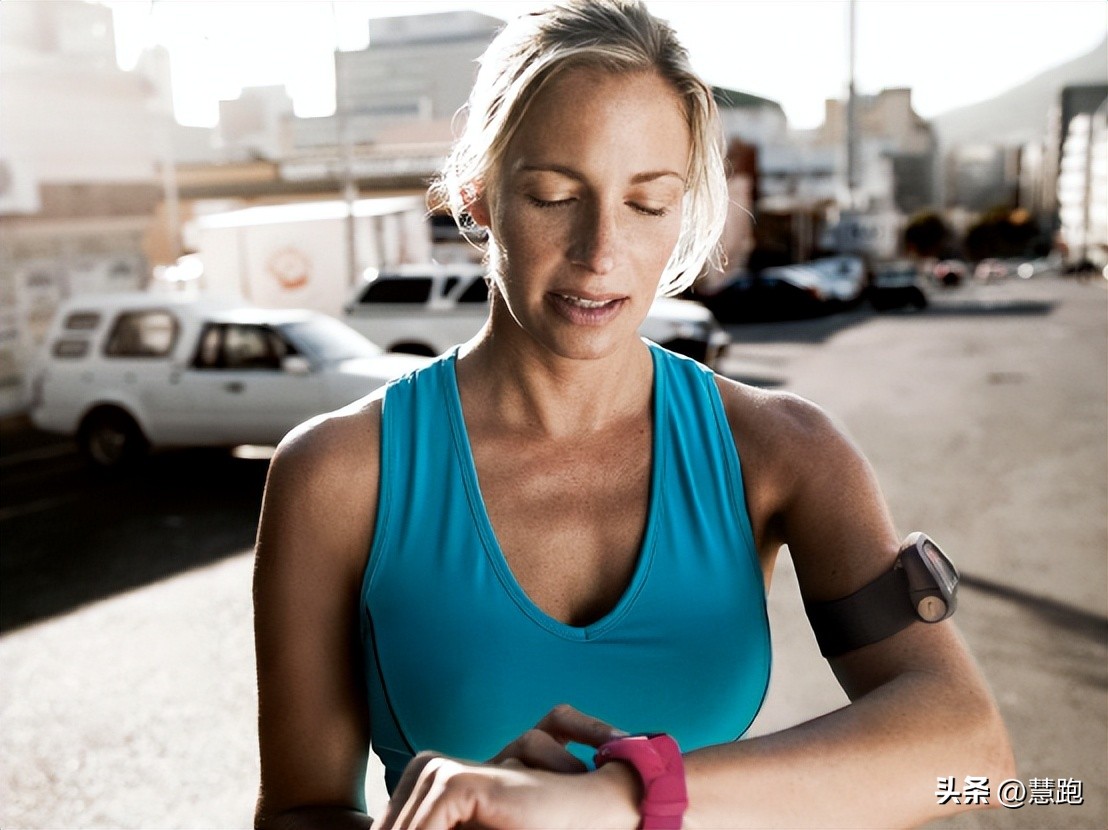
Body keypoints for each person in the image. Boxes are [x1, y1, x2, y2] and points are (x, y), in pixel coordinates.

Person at [252, 2, 1015, 827]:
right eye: (553, 195)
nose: (600, 253)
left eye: (648, 205)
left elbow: (972, 753)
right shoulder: (338, 474)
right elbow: (301, 811)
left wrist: (625, 795)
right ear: (479, 194)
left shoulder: (783, 453)